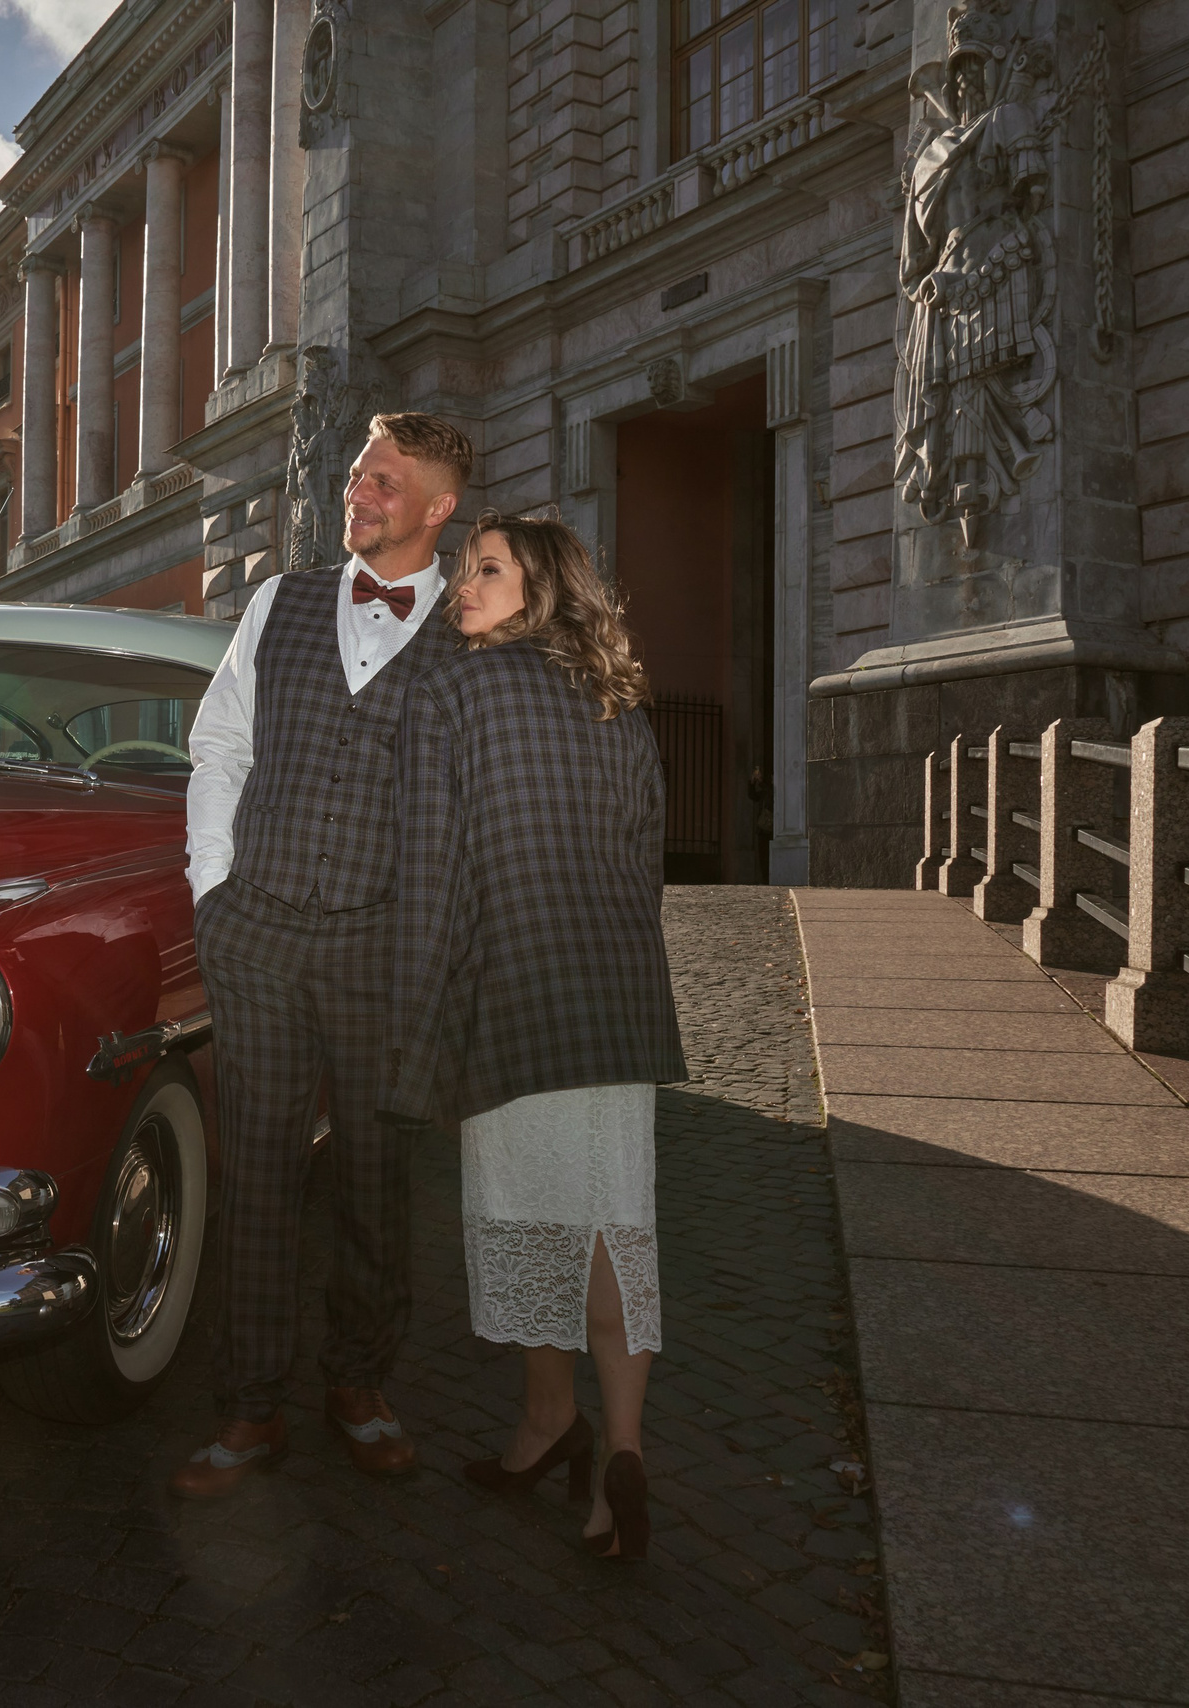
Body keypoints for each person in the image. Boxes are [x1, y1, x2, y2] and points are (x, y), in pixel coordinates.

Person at [170, 411, 475, 1500]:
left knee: (374, 1177)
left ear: (438, 508)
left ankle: (359, 1385)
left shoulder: (473, 632)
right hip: (257, 932)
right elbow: (220, 743)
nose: (359, 492)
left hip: (383, 948)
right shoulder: (279, 600)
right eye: (357, 474)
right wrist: (214, 888)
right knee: (255, 1171)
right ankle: (249, 1406)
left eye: (385, 480)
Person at [381, 510, 686, 1562]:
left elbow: (430, 883)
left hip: (508, 995)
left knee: (529, 1218)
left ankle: (551, 1419)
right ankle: (616, 1449)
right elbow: (646, 863)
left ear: (541, 588)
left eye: (488, 570)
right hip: (615, 998)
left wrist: (415, 1045)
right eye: (463, 569)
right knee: (612, 1221)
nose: (461, 585)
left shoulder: (450, 694)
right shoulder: (617, 700)